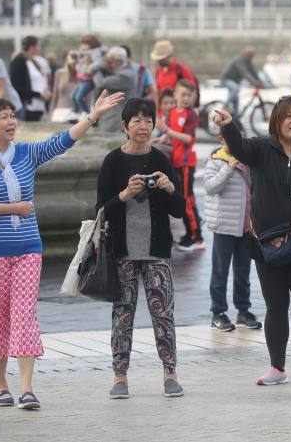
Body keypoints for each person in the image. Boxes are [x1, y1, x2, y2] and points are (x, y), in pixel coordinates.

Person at [0, 90, 124, 409]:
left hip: (28, 249)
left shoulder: (25, 154)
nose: (12, 122)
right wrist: (11, 209)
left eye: (13, 115)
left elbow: (61, 141)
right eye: (5, 117)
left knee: (24, 314)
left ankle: (26, 389)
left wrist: (92, 116)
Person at [214, 97, 291, 387]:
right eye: (288, 116)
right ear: (276, 120)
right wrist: (229, 126)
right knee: (275, 305)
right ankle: (277, 368)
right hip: (267, 242)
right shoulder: (260, 148)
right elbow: (238, 149)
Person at [96, 98, 187, 399]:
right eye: (136, 120)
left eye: (148, 120)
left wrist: (171, 188)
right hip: (122, 253)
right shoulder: (112, 162)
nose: (143, 126)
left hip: (156, 251)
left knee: (163, 314)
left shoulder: (161, 160)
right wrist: (123, 194)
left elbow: (179, 210)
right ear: (125, 126)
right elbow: (100, 210)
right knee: (123, 315)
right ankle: (120, 376)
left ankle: (170, 372)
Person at [204, 120, 262, 332]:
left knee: (243, 271)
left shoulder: (249, 161)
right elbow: (210, 187)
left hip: (246, 226)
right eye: (232, 138)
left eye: (241, 137)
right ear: (222, 140)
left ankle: (243, 311)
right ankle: (218, 313)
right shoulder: (216, 161)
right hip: (224, 227)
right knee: (220, 272)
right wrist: (228, 169)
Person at [156, 80, 204, 251]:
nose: (185, 98)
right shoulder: (173, 113)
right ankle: (190, 233)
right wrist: (161, 139)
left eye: (189, 95)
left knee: (187, 198)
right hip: (176, 160)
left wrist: (167, 132)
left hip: (186, 162)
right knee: (182, 196)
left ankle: (197, 237)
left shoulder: (192, 115)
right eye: (182, 94)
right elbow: (169, 133)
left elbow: (188, 138)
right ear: (175, 95)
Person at [94, 46, 139, 134]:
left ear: (119, 61)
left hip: (115, 122)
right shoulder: (117, 71)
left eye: (110, 61)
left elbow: (101, 83)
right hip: (108, 119)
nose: (107, 64)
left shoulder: (126, 75)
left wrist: (95, 69)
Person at [9, 36, 52, 122]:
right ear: (32, 47)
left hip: (40, 107)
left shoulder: (34, 61)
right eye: (38, 46)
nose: (40, 48)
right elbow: (17, 87)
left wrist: (46, 92)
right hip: (27, 108)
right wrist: (38, 95)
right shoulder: (19, 62)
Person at [221, 47, 263, 116]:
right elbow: (244, 73)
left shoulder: (248, 62)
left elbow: (254, 72)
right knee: (236, 89)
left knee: (236, 103)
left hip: (235, 82)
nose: (249, 57)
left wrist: (260, 82)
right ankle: (225, 105)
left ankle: (236, 119)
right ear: (245, 54)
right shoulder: (239, 60)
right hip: (227, 80)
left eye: (251, 56)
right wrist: (253, 82)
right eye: (249, 55)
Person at [71, 34, 107, 114]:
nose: (82, 46)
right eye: (82, 44)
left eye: (85, 44)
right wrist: (74, 56)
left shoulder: (95, 53)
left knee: (79, 97)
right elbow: (78, 55)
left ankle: (86, 113)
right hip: (82, 79)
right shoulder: (85, 52)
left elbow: (99, 62)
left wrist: (91, 67)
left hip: (88, 79)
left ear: (91, 45)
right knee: (73, 96)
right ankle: (75, 112)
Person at [49, 51, 78, 118]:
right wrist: (51, 113)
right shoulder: (59, 73)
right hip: (60, 112)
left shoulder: (82, 75)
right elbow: (55, 95)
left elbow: (88, 98)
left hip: (76, 113)